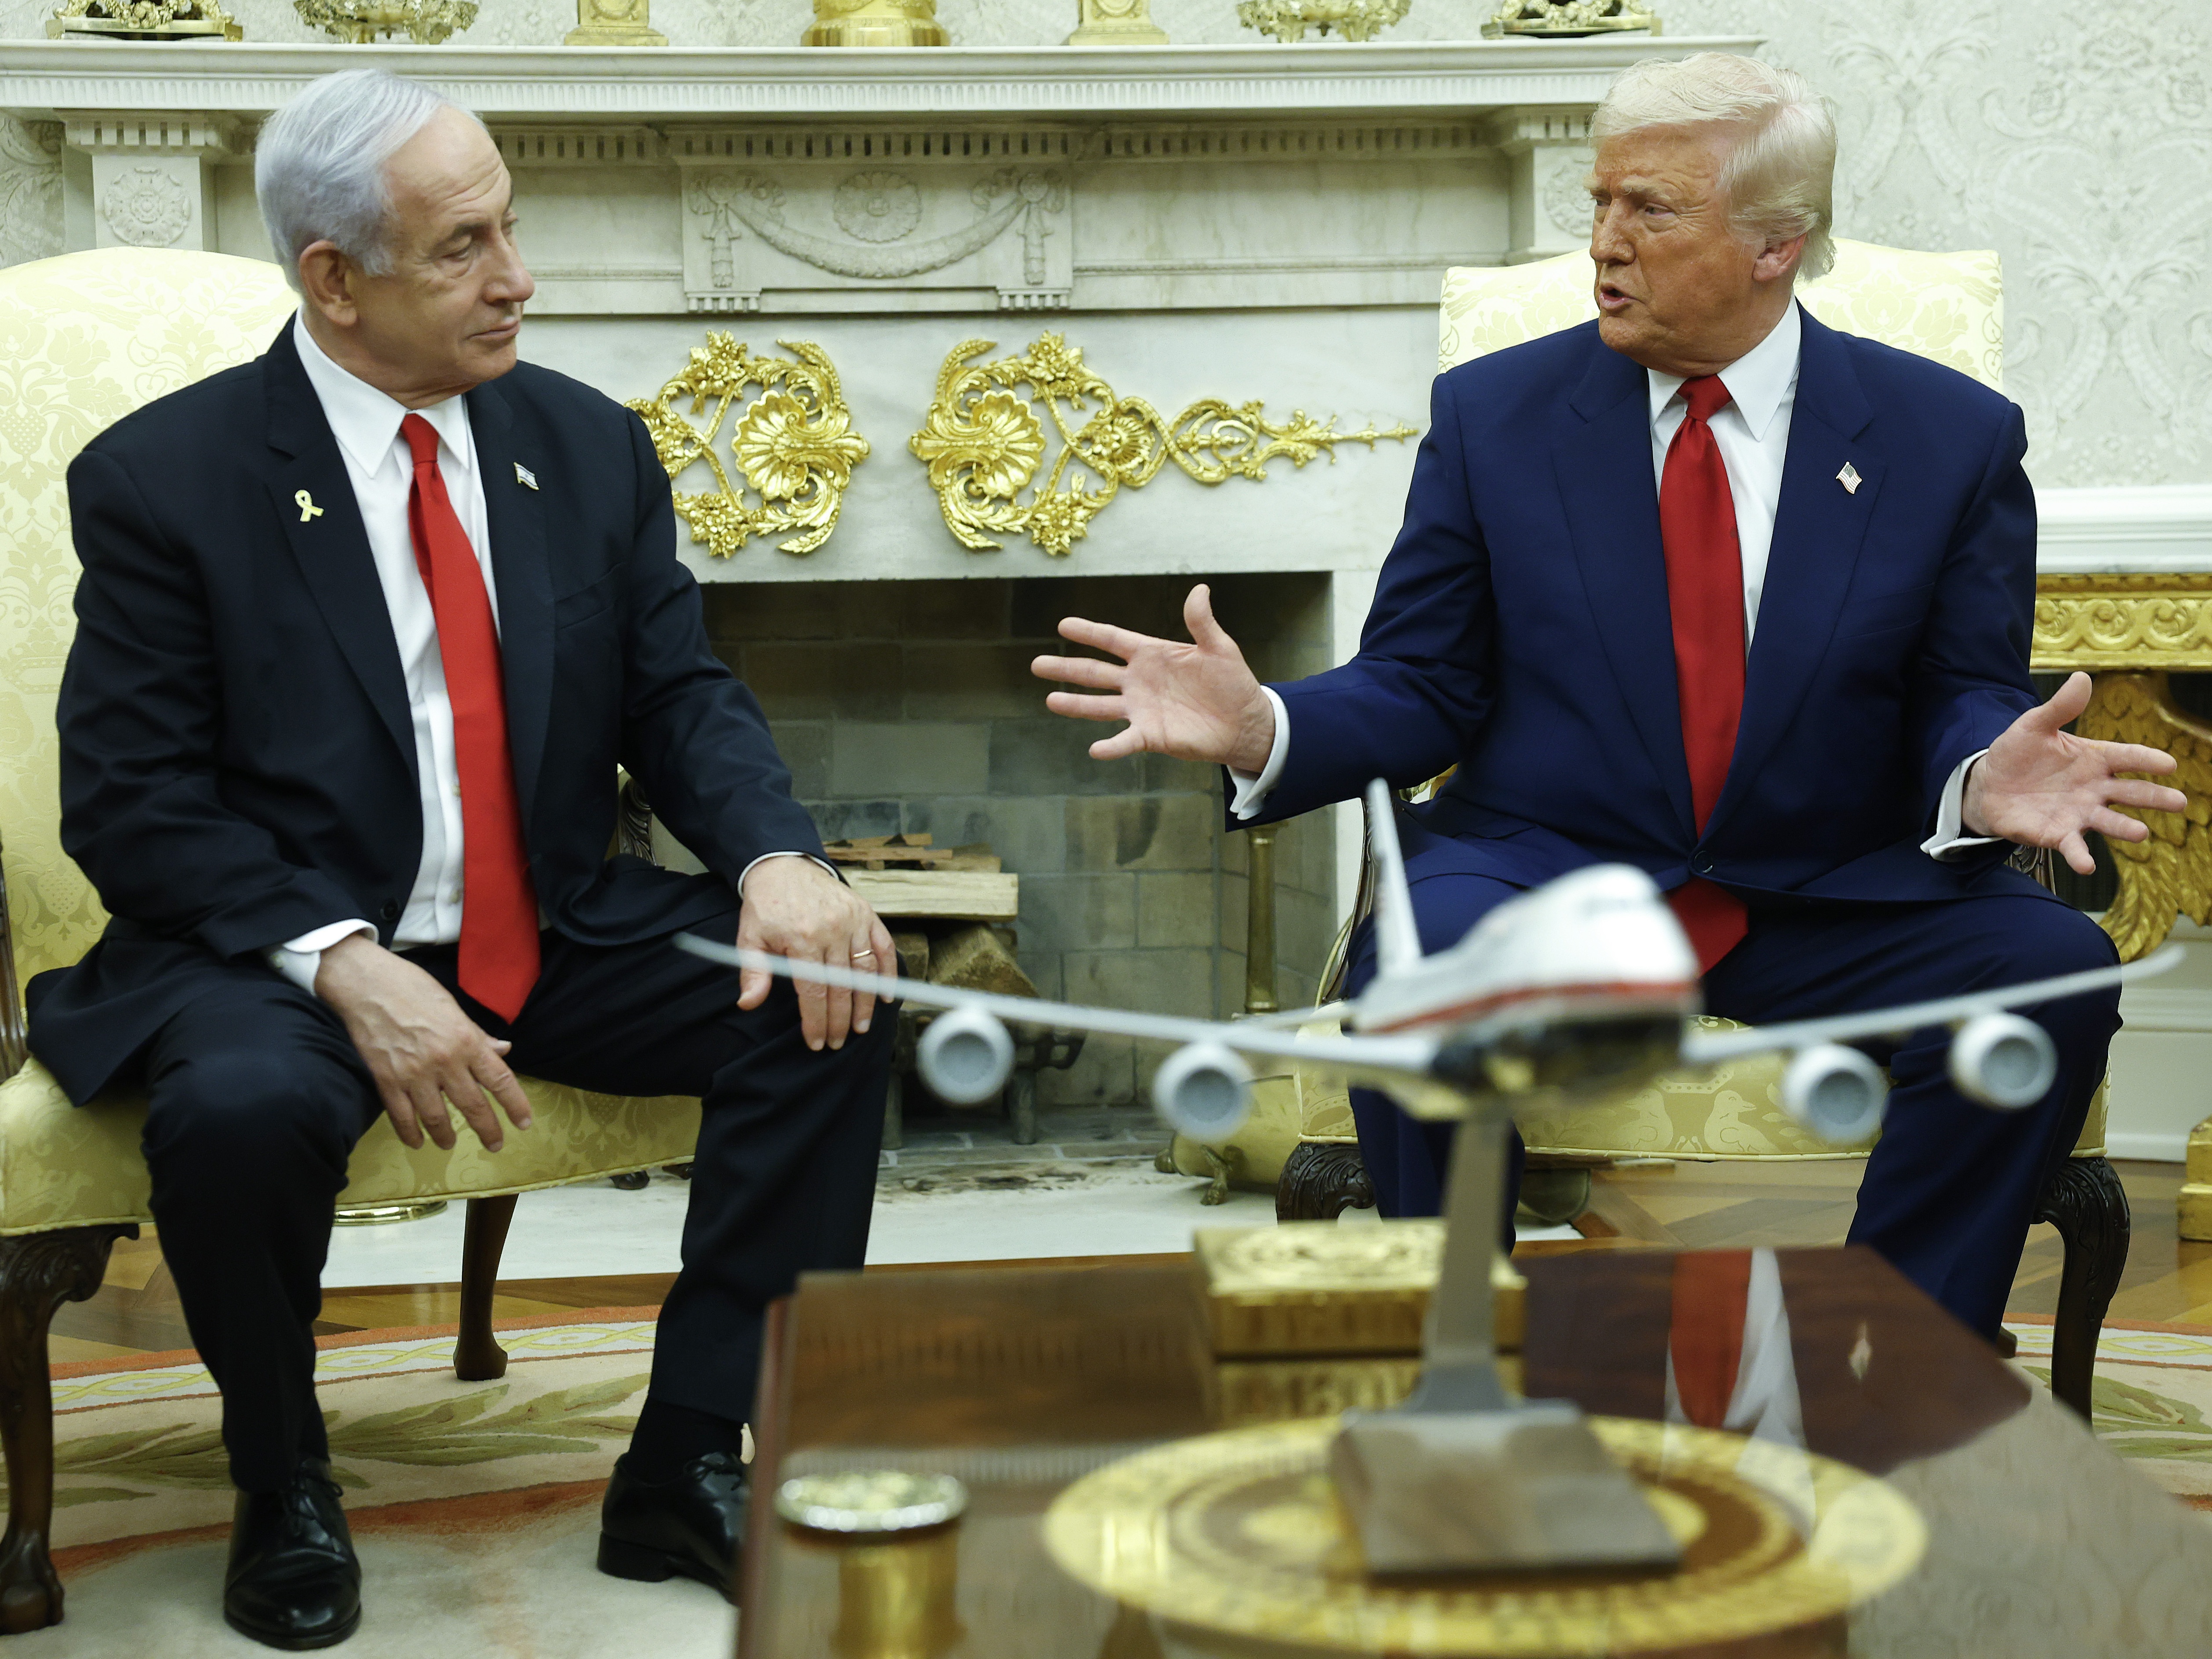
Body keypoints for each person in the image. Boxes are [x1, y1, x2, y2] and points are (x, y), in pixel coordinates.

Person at [1032, 54, 2182, 1343]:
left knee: (2050, 966)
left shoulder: (1948, 436)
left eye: (1650, 211)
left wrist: (1977, 776)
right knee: (1420, 972)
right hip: (1543, 865)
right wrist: (1267, 728)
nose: (1604, 245)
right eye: (1598, 205)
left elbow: (1958, 689)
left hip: (1823, 881)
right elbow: (1424, 681)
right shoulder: (1496, 417)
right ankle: (1466, 1358)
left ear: (1775, 245)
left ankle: (1901, 1357)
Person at [30, 69, 894, 1649]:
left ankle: (690, 1455)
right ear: (335, 281)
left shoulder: (586, 447)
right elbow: (133, 801)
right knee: (239, 1106)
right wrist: (343, 962)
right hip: (278, 952)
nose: (518, 277)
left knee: (823, 998)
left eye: (512, 226)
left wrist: (779, 857)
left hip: (544, 921)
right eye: (463, 245)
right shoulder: (170, 482)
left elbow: (679, 695)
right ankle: (282, 1476)